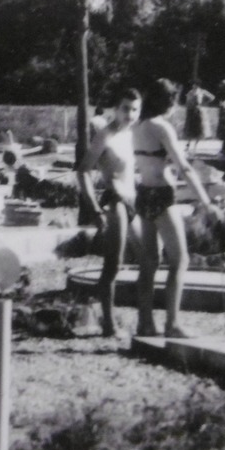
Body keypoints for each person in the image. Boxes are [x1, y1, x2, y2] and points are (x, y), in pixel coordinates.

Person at [131, 78, 217, 339]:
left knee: (149, 263)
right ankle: (172, 323)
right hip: (162, 196)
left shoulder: (139, 126)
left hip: (143, 193)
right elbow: (184, 167)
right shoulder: (162, 127)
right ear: (168, 102)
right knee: (180, 259)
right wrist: (206, 201)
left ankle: (145, 323)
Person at [78, 87, 141, 339]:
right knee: (113, 265)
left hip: (134, 200)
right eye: (126, 108)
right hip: (115, 200)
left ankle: (142, 317)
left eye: (135, 109)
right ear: (116, 109)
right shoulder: (105, 135)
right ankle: (108, 324)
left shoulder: (131, 135)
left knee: (150, 256)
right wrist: (93, 207)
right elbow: (83, 170)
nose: (130, 114)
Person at [182, 82, 214, 151]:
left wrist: (204, 103)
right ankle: (188, 144)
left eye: (195, 85)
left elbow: (212, 97)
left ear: (198, 85)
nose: (193, 86)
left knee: (198, 129)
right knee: (190, 129)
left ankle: (195, 146)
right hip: (191, 112)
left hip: (198, 112)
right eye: (193, 85)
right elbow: (187, 102)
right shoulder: (190, 92)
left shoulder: (202, 91)